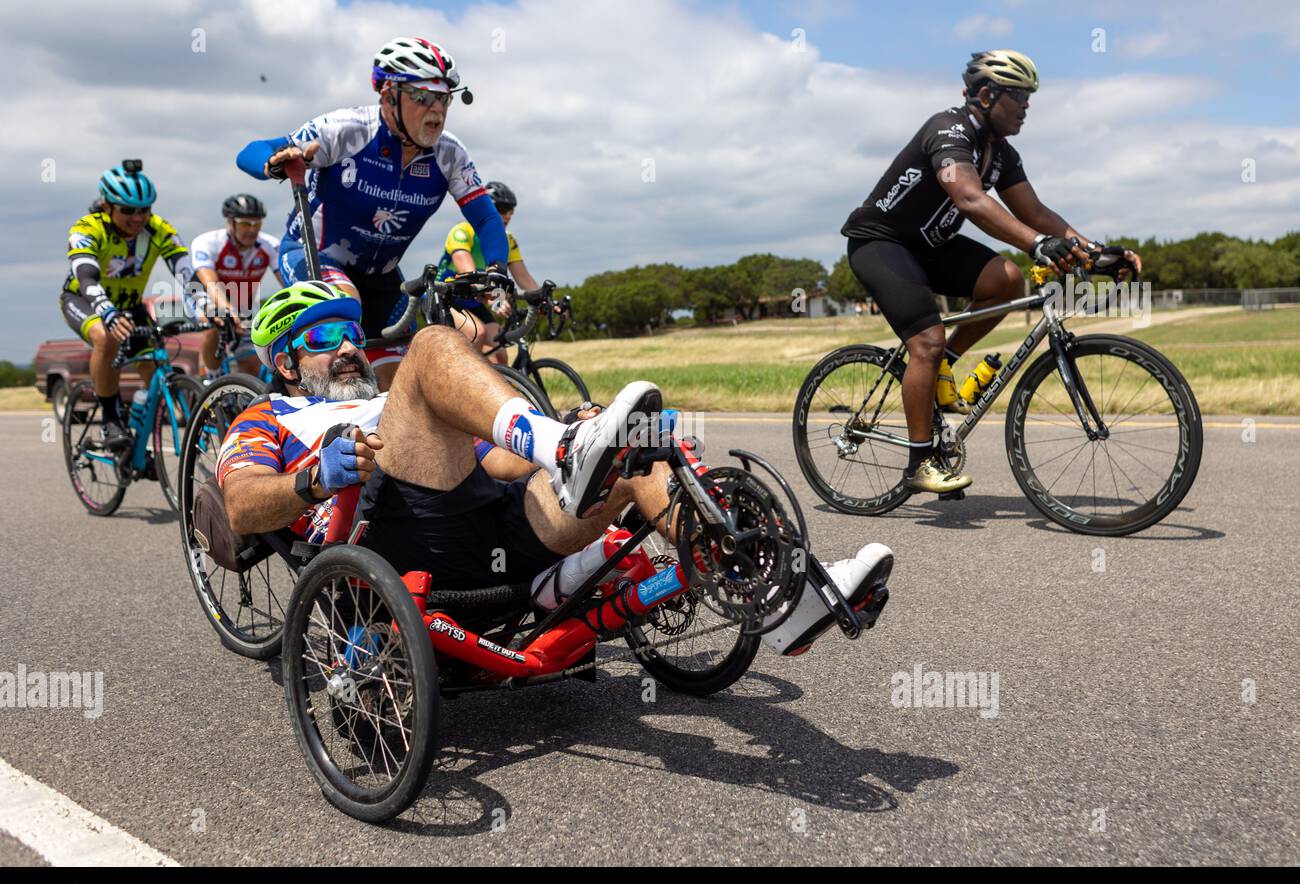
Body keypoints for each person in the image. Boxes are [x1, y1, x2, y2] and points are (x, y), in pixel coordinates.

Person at [218, 283, 891, 623]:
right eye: (324, 335)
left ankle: (782, 595)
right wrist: (310, 480)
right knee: (429, 347)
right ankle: (567, 448)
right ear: (283, 362)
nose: (347, 347)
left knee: (640, 455)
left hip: (493, 533)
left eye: (352, 333)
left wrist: (562, 440)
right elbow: (243, 506)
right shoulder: (266, 417)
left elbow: (489, 463)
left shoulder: (389, 399)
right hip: (390, 545)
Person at [840, 50, 1140, 493]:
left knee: (1006, 278)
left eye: (1028, 97)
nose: (1026, 106)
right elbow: (969, 199)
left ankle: (943, 366)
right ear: (985, 94)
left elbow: (1034, 211)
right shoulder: (948, 130)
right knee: (925, 340)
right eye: (1018, 96)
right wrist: (1038, 245)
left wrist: (1093, 253)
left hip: (929, 247)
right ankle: (919, 462)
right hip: (880, 244)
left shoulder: (1001, 153)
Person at [234, 36, 510, 391]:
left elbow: (486, 218)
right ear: (388, 96)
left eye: (444, 98)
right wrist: (274, 162)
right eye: (423, 97)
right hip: (315, 256)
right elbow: (250, 151)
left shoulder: (450, 154)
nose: (437, 110)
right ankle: (276, 413)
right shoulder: (347, 130)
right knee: (346, 318)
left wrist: (496, 270)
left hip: (381, 275)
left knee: (399, 383)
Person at [62, 160, 201, 450]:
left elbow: (185, 270)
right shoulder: (87, 228)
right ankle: (110, 419)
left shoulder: (158, 229)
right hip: (84, 300)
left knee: (155, 366)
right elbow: (86, 276)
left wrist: (205, 303)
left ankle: (140, 443)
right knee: (106, 337)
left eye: (144, 209)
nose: (138, 217)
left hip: (130, 306)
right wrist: (106, 310)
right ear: (106, 205)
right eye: (128, 210)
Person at [435, 181, 541, 364]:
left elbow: (523, 277)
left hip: (475, 301)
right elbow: (469, 273)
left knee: (500, 355)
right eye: (502, 209)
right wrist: (497, 299)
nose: (507, 215)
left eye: (511, 211)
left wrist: (544, 299)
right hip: (446, 297)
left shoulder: (508, 240)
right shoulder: (462, 231)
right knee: (478, 334)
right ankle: (458, 389)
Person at [191, 194, 280, 378]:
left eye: (257, 224)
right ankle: (212, 379)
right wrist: (226, 308)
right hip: (206, 296)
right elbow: (210, 283)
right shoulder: (208, 242)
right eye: (245, 224)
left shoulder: (269, 245)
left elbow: (287, 281)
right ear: (230, 222)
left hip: (243, 303)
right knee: (216, 322)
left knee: (254, 364)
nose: (252, 230)